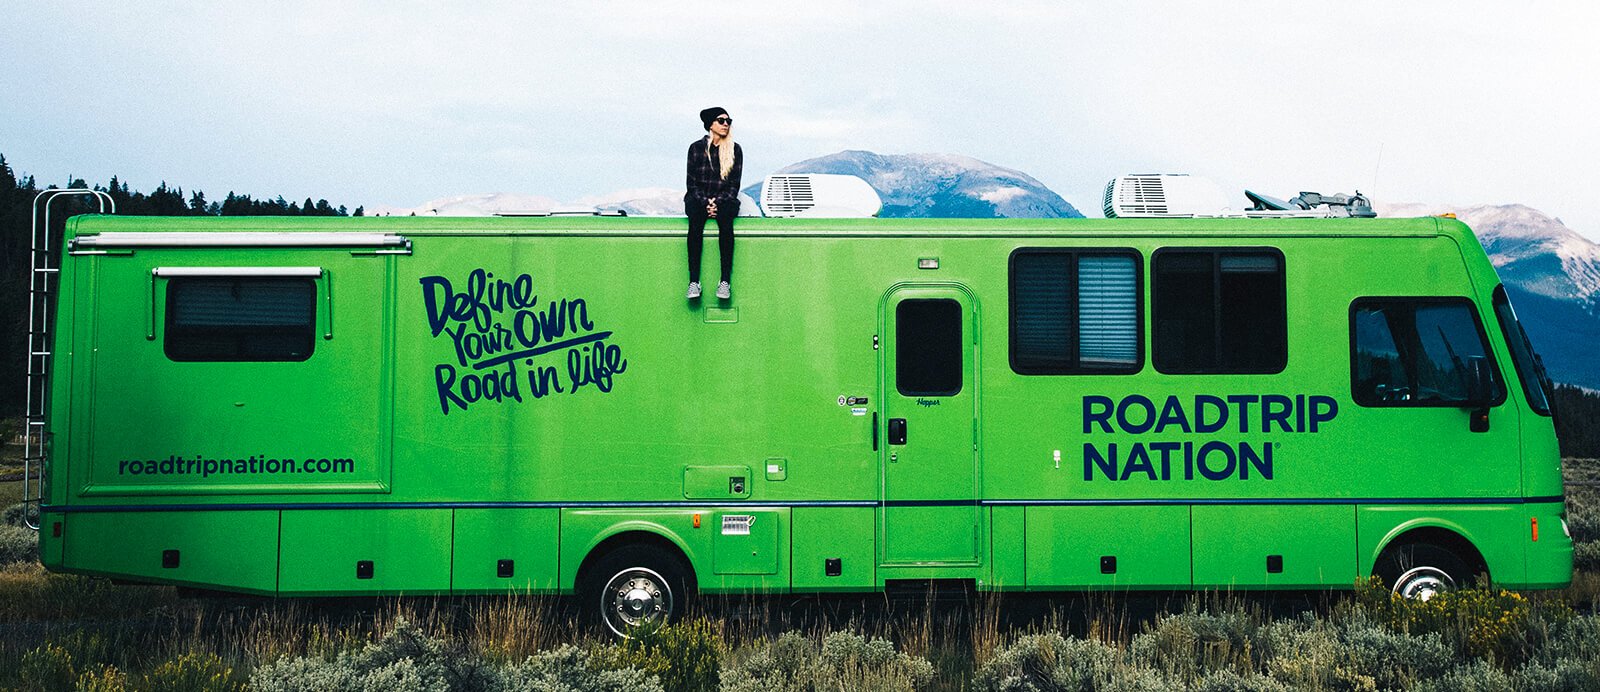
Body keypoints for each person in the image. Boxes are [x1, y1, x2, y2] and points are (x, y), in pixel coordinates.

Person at [684, 106, 743, 300]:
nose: (726, 124)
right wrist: (705, 202)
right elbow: (691, 183)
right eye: (721, 120)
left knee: (726, 224)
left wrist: (716, 203)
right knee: (694, 224)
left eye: (728, 121)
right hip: (699, 199)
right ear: (710, 124)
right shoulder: (695, 148)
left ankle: (724, 281)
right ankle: (694, 281)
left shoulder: (735, 149)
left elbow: (734, 185)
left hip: (724, 200)